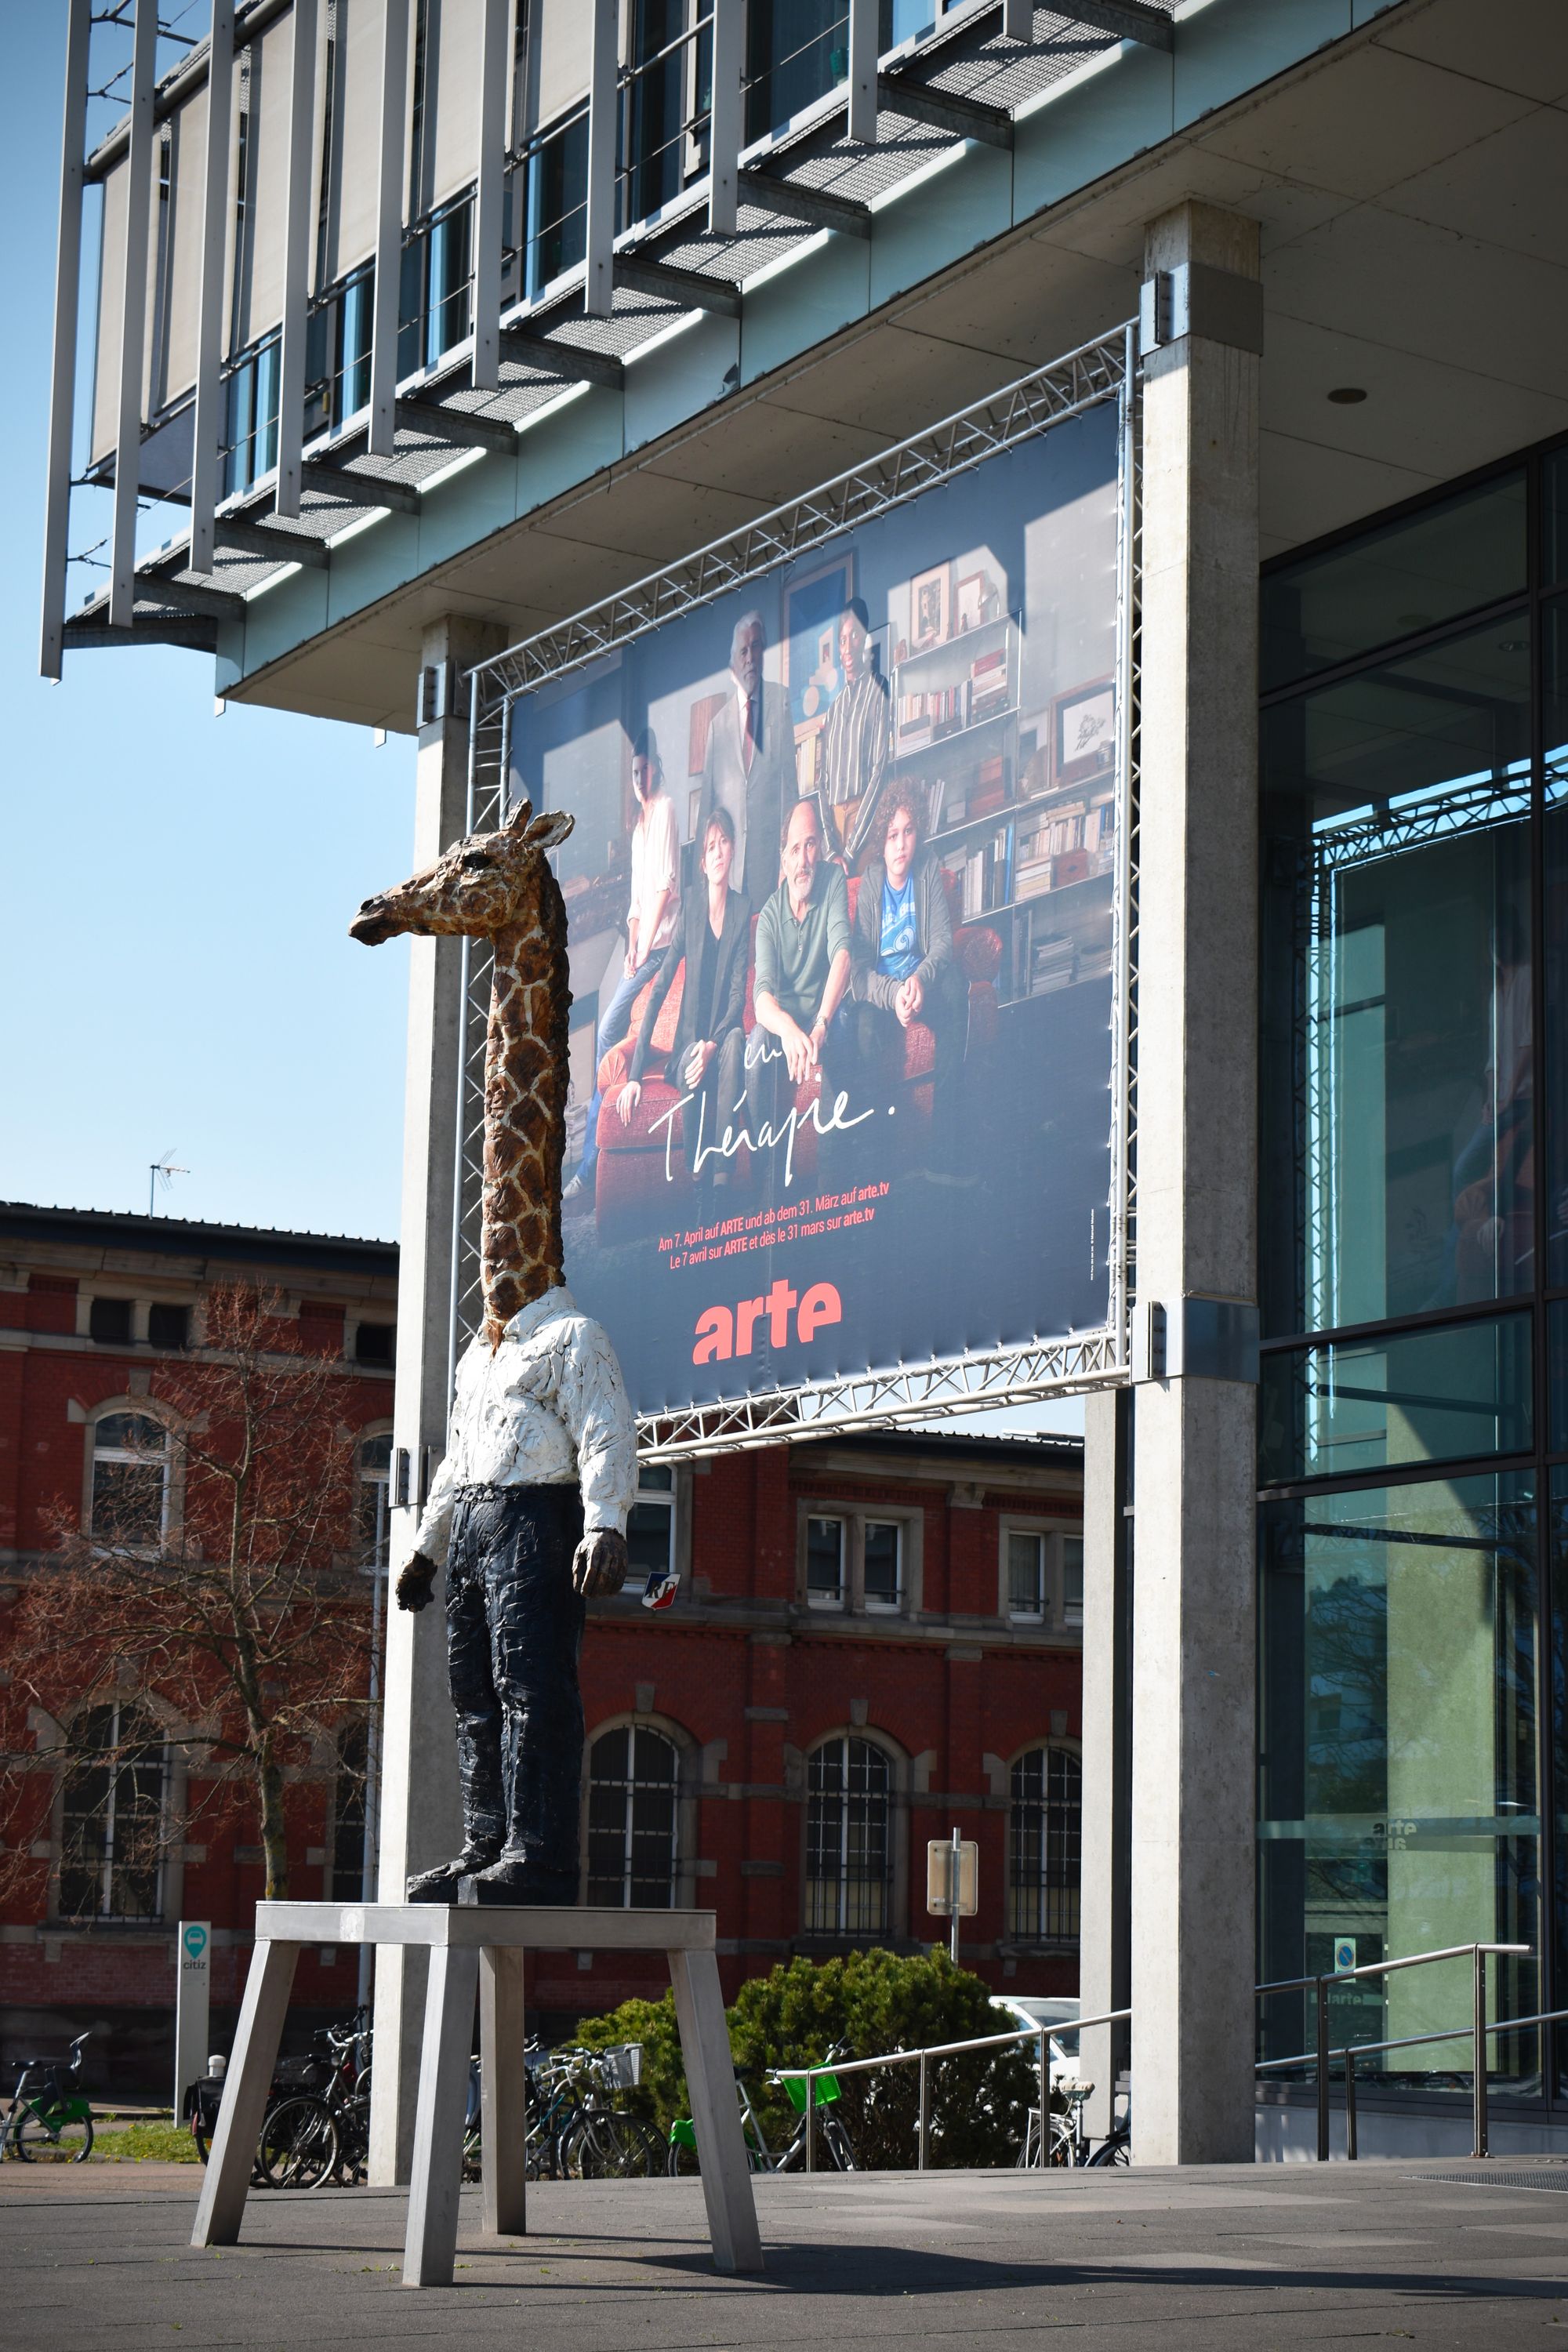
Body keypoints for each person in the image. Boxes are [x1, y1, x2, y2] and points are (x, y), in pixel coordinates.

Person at [565, 730, 679, 1207]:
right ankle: (593, 1159)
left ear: (656, 767)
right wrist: (633, 944)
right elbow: (635, 899)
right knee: (606, 1039)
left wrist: (646, 945)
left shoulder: (668, 809)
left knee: (609, 1027)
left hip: (665, 944)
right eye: (633, 773)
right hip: (644, 948)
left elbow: (664, 889)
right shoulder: (638, 827)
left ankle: (589, 1166)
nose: (639, 779)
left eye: (645, 770)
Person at [615, 806, 752, 1193]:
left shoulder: (743, 909)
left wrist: (714, 1044)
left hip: (722, 1039)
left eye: (724, 842)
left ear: (734, 849)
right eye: (711, 846)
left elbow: (738, 994)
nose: (719, 851)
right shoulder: (691, 906)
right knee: (693, 1055)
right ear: (704, 864)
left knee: (736, 1041)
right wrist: (635, 1074)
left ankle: (722, 1181)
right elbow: (658, 990)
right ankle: (697, 1180)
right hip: (690, 1046)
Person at [845, 782, 965, 1174]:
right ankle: (875, 1157)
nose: (901, 845)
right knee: (863, 1032)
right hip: (885, 993)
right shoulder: (870, 886)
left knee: (956, 988)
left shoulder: (928, 867)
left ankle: (945, 1144)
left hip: (922, 985)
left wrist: (919, 981)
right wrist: (895, 992)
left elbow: (943, 943)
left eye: (909, 832)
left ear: (919, 834)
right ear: (882, 841)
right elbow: (860, 973)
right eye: (893, 835)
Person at [750, 796, 854, 1162]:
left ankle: (831, 1183)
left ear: (820, 849)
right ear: (785, 859)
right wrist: (791, 1032)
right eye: (796, 848)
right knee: (756, 1046)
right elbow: (761, 1000)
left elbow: (843, 953)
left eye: (810, 845)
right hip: (789, 1026)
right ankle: (768, 1188)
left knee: (845, 1025)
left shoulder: (833, 879)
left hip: (826, 1014)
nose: (804, 859)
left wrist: (822, 1023)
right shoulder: (768, 917)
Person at [693, 608, 795, 902]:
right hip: (730, 874)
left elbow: (790, 791)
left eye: (756, 646)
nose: (750, 657)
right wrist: (704, 885)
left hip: (772, 868)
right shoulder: (717, 727)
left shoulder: (781, 701)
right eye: (742, 652)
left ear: (764, 651)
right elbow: (707, 812)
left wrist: (787, 858)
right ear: (732, 666)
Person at [821, 597, 890, 849]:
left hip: (865, 818)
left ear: (864, 638)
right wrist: (831, 848)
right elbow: (823, 784)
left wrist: (852, 847)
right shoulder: (833, 711)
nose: (848, 647)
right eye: (842, 640)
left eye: (854, 637)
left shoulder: (879, 688)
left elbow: (879, 770)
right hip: (834, 828)